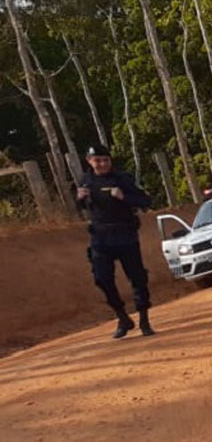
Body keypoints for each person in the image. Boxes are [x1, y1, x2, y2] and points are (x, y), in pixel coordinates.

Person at [75, 144, 156, 338]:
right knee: (102, 278)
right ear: (89, 161)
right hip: (100, 237)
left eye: (106, 160)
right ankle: (122, 318)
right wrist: (78, 199)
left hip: (125, 234)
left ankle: (144, 319)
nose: (102, 164)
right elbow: (78, 206)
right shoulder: (85, 181)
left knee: (137, 278)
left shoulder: (122, 179)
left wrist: (123, 197)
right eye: (98, 160)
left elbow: (145, 200)